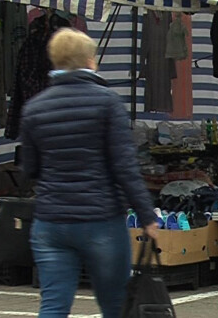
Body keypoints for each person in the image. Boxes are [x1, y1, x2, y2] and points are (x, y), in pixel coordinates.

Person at [20, 28, 159, 318]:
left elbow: (30, 168)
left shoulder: (34, 108)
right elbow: (124, 166)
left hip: (51, 221)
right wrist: (147, 215)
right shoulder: (107, 102)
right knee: (115, 305)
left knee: (53, 305)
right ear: (90, 60)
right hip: (101, 219)